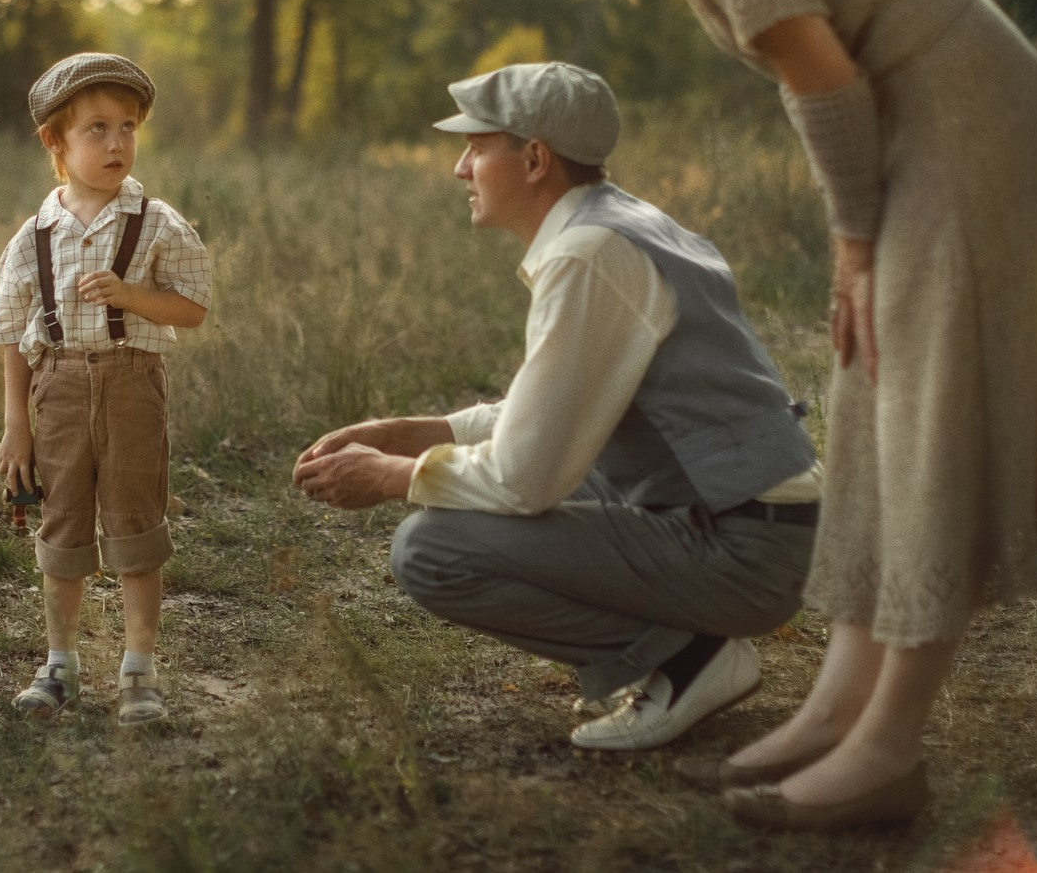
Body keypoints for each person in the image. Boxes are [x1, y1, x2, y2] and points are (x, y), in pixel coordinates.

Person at [439, 0, 1037, 830]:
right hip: (929, 135)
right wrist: (861, 238)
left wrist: (854, 246)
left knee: (924, 424)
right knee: (870, 414)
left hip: (967, 134)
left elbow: (821, 77)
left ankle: (885, 750)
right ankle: (832, 714)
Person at [294, 61, 824, 753]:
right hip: (743, 517)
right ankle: (688, 646)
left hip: (744, 549)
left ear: (535, 159)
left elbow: (523, 479)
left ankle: (691, 657)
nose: (460, 168)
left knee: (431, 549)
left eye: (476, 147)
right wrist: (409, 432)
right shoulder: (619, 226)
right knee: (482, 501)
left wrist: (389, 475)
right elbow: (550, 412)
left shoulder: (588, 254)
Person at [0, 52, 211, 726]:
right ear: (54, 140)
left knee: (136, 526)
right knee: (61, 530)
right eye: (96, 128)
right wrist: (16, 425)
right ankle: (59, 665)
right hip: (56, 388)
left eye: (127, 127)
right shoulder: (33, 237)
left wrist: (130, 295)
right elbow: (11, 332)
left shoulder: (157, 223)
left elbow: (192, 308)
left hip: (132, 384)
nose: (117, 142)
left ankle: (139, 672)